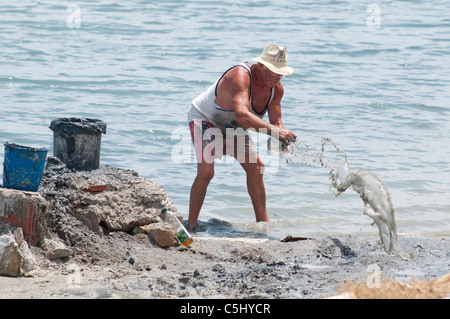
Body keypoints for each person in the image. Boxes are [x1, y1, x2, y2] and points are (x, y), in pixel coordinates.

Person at [187, 44, 297, 230]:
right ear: (260, 65)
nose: (277, 77)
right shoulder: (241, 75)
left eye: (280, 73)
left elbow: (276, 122)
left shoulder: (277, 89)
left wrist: (282, 139)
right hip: (205, 119)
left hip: (234, 125)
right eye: (273, 72)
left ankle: (263, 224)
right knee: (206, 172)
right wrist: (274, 131)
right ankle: (191, 226)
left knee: (256, 168)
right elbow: (242, 115)